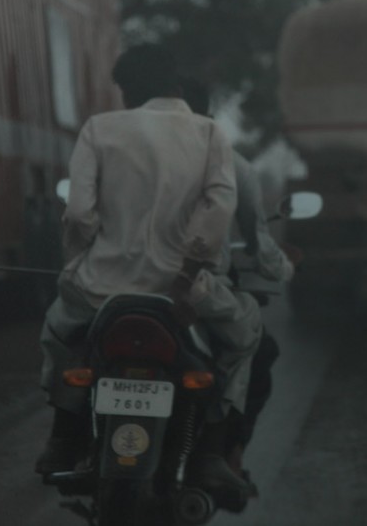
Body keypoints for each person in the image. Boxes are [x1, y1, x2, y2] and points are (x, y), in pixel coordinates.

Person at [36, 44, 260, 498]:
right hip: (184, 294)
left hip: (101, 292)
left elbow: (79, 215)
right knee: (246, 333)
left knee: (57, 336)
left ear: (125, 91)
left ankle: (63, 438)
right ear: (174, 83)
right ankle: (212, 452)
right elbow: (219, 208)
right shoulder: (209, 132)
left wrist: (80, 262)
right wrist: (185, 279)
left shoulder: (99, 129)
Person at [180, 77, 298, 482]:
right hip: (195, 290)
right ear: (208, 117)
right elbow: (258, 243)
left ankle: (66, 438)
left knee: (73, 341)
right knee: (254, 347)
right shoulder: (229, 163)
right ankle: (221, 451)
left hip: (118, 288)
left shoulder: (118, 155)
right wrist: (282, 268)